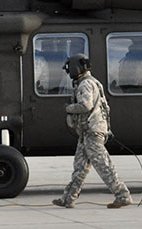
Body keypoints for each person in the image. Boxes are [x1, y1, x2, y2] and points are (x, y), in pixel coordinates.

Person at [53, 53, 133, 209]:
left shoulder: (85, 84)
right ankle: (68, 199)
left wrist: (69, 108)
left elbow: (86, 105)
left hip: (92, 132)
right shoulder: (93, 82)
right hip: (88, 132)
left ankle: (123, 195)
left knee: (103, 165)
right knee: (80, 167)